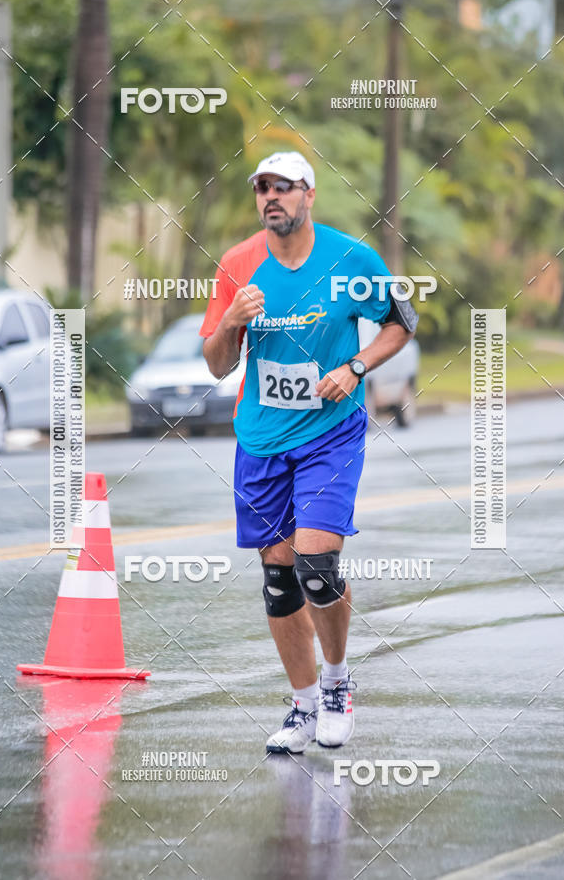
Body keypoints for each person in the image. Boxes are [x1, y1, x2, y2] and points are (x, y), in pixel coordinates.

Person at [200, 151, 417, 754]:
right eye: (263, 188)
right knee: (278, 580)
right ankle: (301, 706)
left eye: (283, 187)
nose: (272, 196)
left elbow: (403, 319)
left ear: (309, 195)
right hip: (262, 438)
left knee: (316, 567)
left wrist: (356, 365)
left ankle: (338, 683)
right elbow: (218, 366)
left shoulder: (351, 260)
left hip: (330, 432)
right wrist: (230, 325)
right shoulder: (239, 265)